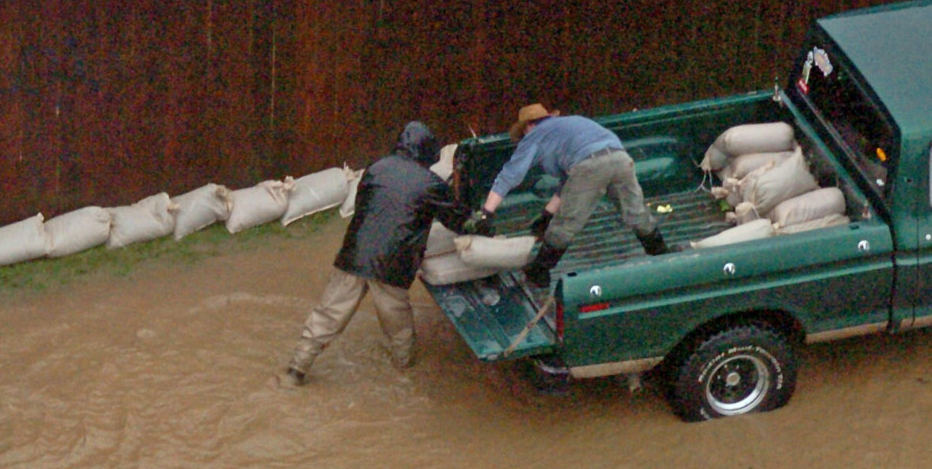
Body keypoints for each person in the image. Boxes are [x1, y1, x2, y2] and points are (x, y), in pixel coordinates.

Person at [283, 121, 468, 384]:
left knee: (328, 315)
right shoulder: (431, 184)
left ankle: (295, 370)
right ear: (428, 151)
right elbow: (457, 221)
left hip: (354, 255)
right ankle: (404, 371)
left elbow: (363, 207)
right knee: (398, 327)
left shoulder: (376, 168)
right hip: (391, 265)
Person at [474, 103, 671, 288]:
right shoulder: (572, 124)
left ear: (528, 126)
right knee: (635, 212)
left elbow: (511, 174)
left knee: (567, 223)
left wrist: (486, 213)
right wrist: (547, 214)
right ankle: (662, 254)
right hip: (620, 159)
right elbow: (568, 182)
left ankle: (539, 271)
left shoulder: (535, 135)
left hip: (589, 166)